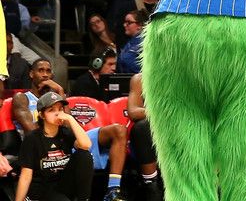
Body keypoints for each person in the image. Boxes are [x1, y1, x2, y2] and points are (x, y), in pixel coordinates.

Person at [14, 58, 128, 201]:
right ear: (31, 74)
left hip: (62, 150)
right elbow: (31, 130)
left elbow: (70, 129)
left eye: (48, 71)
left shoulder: (61, 113)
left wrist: (60, 91)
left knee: (87, 152)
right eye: (40, 70)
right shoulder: (22, 98)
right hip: (38, 151)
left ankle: (107, 191)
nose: (45, 74)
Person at [14, 91, 93, 201]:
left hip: (62, 185)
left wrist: (70, 119)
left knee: (85, 155)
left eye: (60, 109)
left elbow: (86, 145)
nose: (58, 114)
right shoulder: (32, 138)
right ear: (42, 115)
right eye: (51, 110)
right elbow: (26, 176)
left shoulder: (65, 133)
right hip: (42, 189)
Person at [127, 73, 162, 201]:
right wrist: (164, 112)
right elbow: (133, 112)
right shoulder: (139, 79)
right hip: (154, 130)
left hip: (182, 128)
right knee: (142, 127)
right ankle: (151, 183)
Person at [118, 10, 146, 74]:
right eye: (125, 22)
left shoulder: (144, 43)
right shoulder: (129, 43)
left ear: (139, 25)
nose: (124, 25)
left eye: (129, 22)